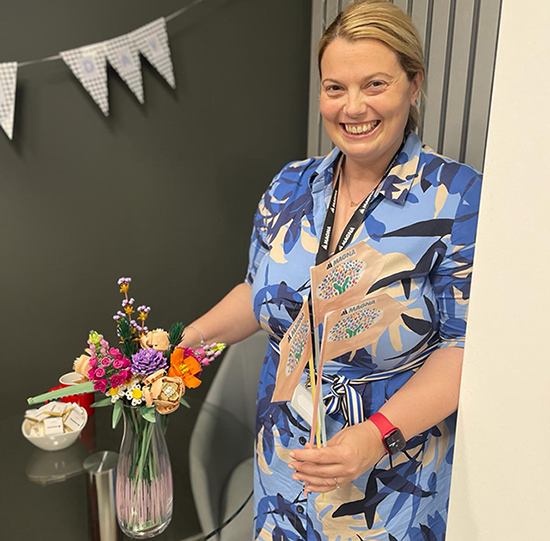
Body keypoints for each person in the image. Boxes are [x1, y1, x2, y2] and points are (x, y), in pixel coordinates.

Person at [180, 1, 482, 539]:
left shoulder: (458, 199)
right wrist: (186, 342)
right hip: (284, 464)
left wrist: (374, 436)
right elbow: (258, 293)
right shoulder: (291, 186)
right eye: (334, 87)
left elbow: (465, 350)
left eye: (374, 84)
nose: (352, 107)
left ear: (414, 84)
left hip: (391, 477)